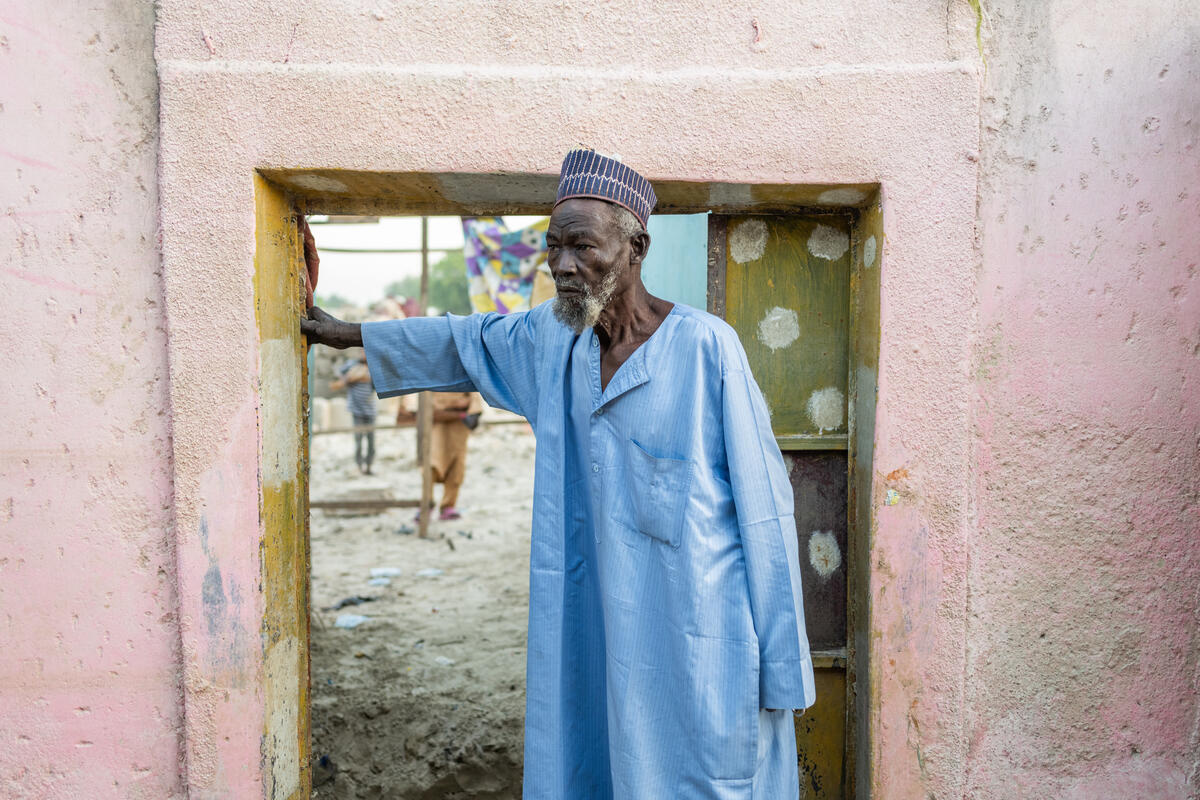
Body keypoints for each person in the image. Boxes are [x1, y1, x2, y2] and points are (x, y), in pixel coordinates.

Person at [302, 149, 816, 799]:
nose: (564, 266)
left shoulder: (706, 348)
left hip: (697, 642)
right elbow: (466, 341)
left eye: (583, 246)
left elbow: (766, 513)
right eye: (554, 248)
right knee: (592, 763)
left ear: (636, 248)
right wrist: (343, 333)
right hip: (594, 635)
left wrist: (784, 670)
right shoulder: (555, 343)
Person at [396, 391, 483, 520]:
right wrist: (456, 413)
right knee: (431, 464)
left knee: (457, 465)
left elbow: (474, 407)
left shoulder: (465, 374)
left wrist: (465, 412)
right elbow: (420, 409)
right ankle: (427, 503)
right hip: (435, 426)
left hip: (458, 428)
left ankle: (448, 506)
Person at [330, 349, 377, 474]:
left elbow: (376, 386)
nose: (365, 355)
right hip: (357, 410)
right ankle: (359, 466)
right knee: (358, 439)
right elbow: (339, 373)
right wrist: (348, 378)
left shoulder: (373, 367)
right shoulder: (352, 365)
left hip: (370, 410)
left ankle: (369, 466)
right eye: (363, 352)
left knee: (371, 440)